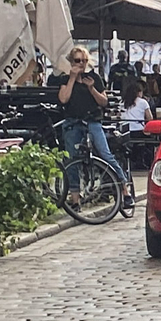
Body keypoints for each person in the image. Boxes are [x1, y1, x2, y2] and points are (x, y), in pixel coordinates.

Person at [55, 46, 132, 214]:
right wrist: (72, 79)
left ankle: (125, 191)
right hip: (73, 122)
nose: (81, 64)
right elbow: (63, 99)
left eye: (83, 61)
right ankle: (75, 199)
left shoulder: (94, 78)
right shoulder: (65, 79)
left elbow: (103, 102)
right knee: (72, 159)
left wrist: (91, 88)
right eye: (77, 61)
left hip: (92, 120)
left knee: (105, 154)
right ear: (71, 62)